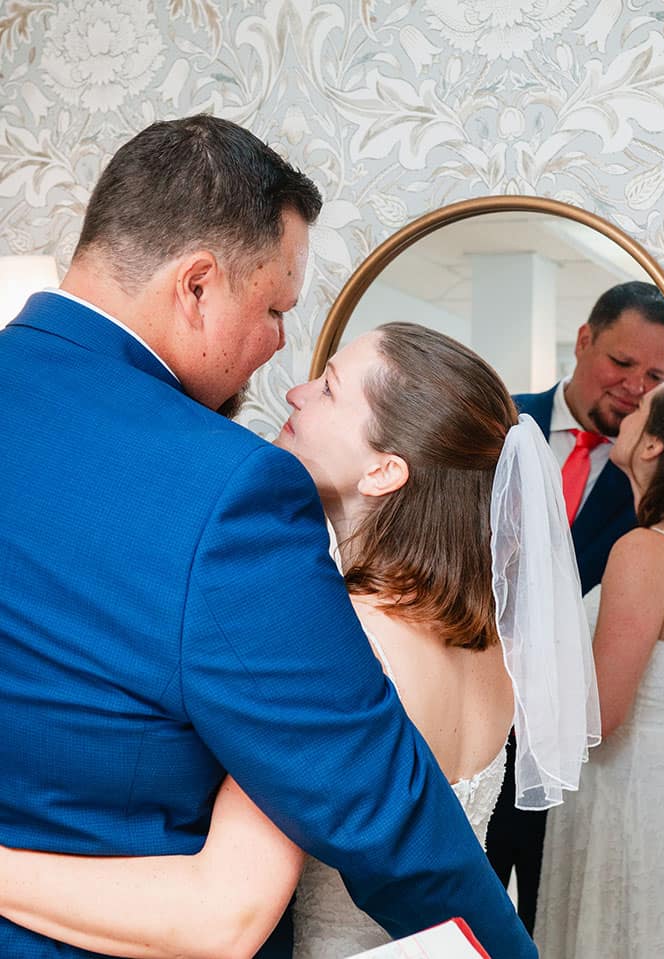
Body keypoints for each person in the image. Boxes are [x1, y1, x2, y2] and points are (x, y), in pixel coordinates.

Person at [0, 116, 536, 959]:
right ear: (198, 285)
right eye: (275, 307)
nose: (280, 351)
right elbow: (381, 813)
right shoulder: (227, 489)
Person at [0, 322, 599, 957]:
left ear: (382, 471)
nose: (296, 393)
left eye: (329, 389)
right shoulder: (489, 642)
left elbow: (222, 913)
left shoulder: (339, 635)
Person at [485, 280, 664, 932]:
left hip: (580, 777)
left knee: (560, 924)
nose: (633, 386)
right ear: (583, 340)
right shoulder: (495, 423)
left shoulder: (659, 496)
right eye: (621, 363)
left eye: (654, 375)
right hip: (476, 739)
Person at [535, 374, 664, 957]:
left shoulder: (645, 551)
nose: (629, 408)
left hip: (629, 792)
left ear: (653, 445)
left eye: (644, 408)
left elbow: (598, 718)